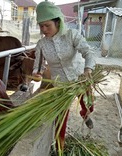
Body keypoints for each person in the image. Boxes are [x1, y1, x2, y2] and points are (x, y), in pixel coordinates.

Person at [32, 1, 96, 152]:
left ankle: (85, 114)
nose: (44, 29)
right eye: (41, 26)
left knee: (89, 104)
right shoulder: (41, 44)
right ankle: (59, 147)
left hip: (80, 77)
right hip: (60, 84)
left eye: (47, 25)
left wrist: (88, 69)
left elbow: (89, 52)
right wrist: (37, 73)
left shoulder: (71, 35)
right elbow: (39, 64)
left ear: (57, 22)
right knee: (60, 118)